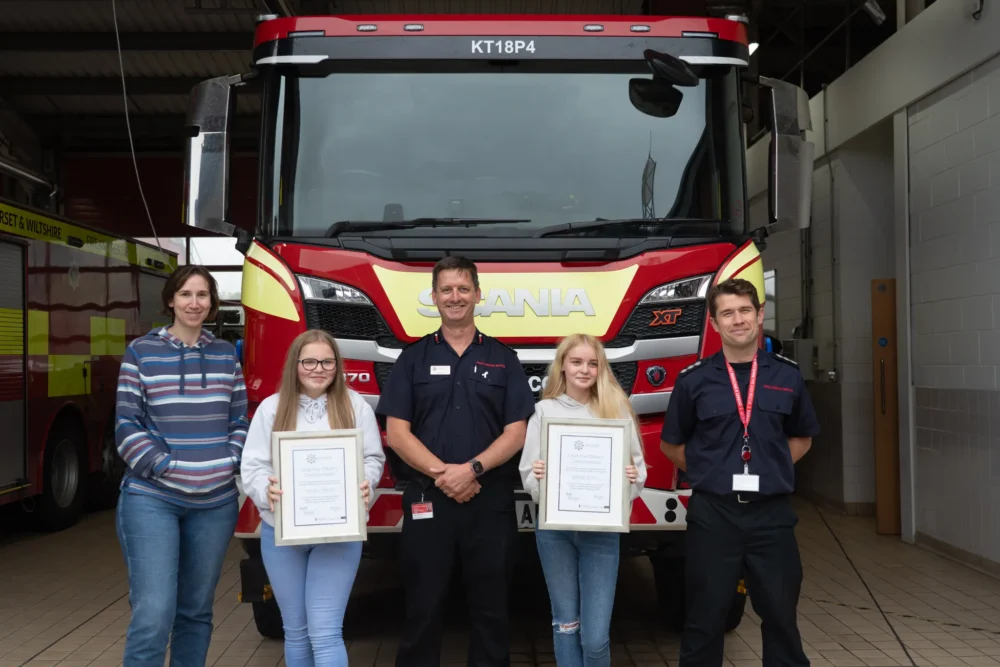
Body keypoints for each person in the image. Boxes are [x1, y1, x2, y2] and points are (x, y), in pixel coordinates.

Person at [375, 255, 536, 667]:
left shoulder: (504, 359)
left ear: (478, 295)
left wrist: (472, 470)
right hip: (429, 500)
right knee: (422, 608)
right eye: (446, 289)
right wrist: (445, 475)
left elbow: (517, 432)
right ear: (433, 297)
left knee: (491, 612)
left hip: (490, 502)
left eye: (463, 289)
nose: (455, 297)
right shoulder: (412, 359)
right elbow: (397, 434)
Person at [659, 278, 820, 667]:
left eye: (745, 310)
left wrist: (769, 468)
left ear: (759, 314)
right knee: (704, 619)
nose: (738, 320)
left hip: (771, 516)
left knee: (781, 616)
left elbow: (802, 438)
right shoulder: (694, 380)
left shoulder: (787, 376)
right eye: (727, 313)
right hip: (714, 515)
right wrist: (711, 473)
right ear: (715, 323)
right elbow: (671, 445)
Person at [114, 265, 249, 667]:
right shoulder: (141, 352)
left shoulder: (225, 355)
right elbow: (126, 423)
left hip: (215, 503)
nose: (194, 303)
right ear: (170, 300)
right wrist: (164, 465)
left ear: (212, 303)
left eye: (202, 295)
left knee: (195, 613)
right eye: (186, 294)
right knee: (154, 613)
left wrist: (228, 461)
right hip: (153, 498)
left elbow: (240, 421)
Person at [240, 329, 386, 667]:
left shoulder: (355, 405)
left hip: (339, 532)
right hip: (282, 532)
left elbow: (372, 458)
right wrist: (265, 488)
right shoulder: (271, 408)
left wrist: (366, 481)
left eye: (326, 362)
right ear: (295, 364)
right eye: (309, 361)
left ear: (337, 365)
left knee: (325, 632)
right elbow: (254, 465)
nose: (318, 369)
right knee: (295, 631)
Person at [519, 334, 647, 667]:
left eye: (593, 363)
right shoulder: (543, 411)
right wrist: (539, 477)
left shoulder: (616, 409)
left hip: (602, 534)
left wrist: (631, 478)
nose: (584, 370)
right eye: (576, 362)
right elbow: (528, 474)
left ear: (601, 368)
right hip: (555, 533)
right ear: (562, 366)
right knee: (565, 624)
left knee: (595, 637)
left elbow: (638, 470)